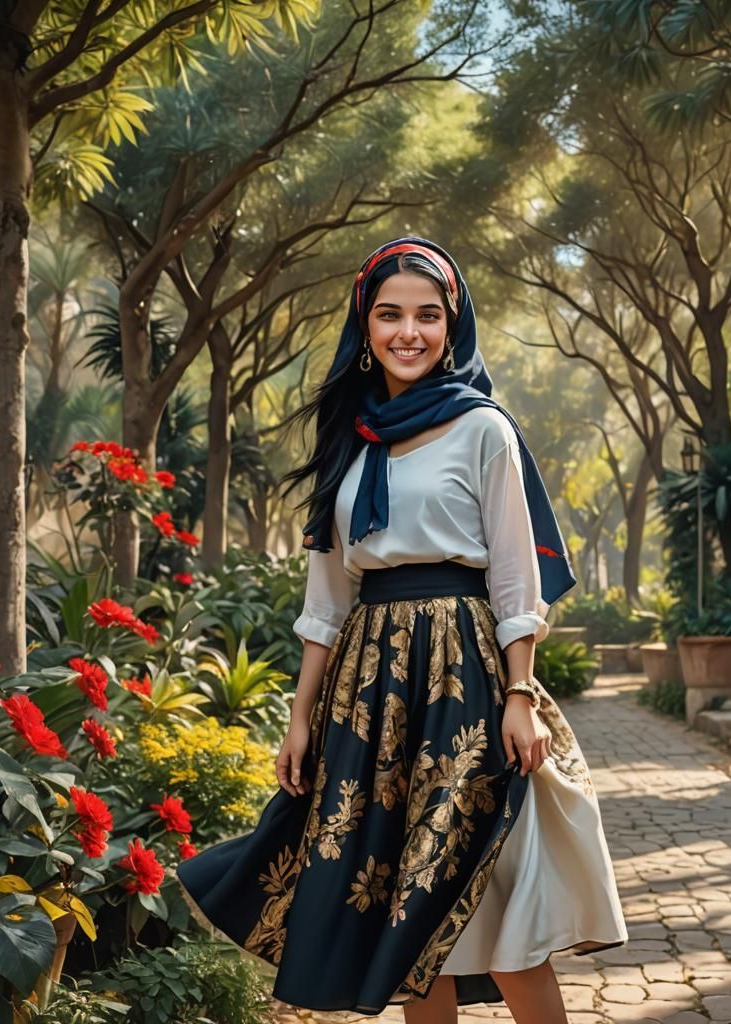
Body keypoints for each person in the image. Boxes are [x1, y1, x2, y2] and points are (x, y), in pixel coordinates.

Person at [176, 237, 628, 1022]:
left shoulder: (483, 428)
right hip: (369, 694)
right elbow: (327, 598)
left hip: (465, 675)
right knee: (401, 909)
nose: (408, 332)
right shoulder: (348, 440)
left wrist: (520, 693)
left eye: (427, 316)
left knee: (493, 891)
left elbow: (515, 577)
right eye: (390, 315)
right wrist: (300, 715)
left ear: (452, 327)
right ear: (366, 326)